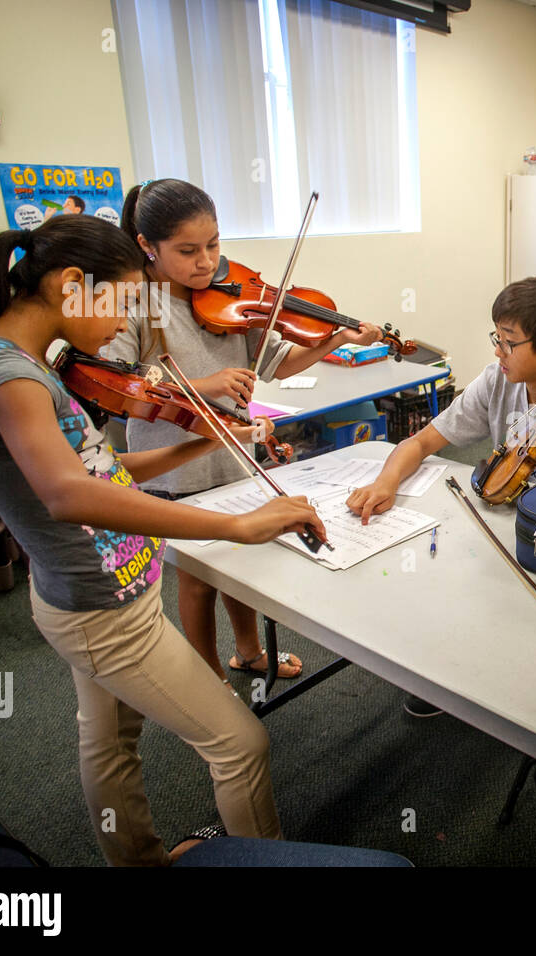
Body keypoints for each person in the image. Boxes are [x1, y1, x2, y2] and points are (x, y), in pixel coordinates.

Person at [0, 215, 325, 864]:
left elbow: (104, 473)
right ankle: (267, 860)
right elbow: (68, 494)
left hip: (99, 599)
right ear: (72, 285)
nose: (119, 328)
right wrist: (235, 525)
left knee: (109, 743)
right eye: (124, 302)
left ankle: (136, 860)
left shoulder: (24, 363)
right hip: (104, 616)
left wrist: (202, 438)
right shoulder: (7, 376)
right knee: (240, 744)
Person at [105, 178, 381, 685]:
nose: (206, 262)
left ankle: (250, 652)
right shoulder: (134, 303)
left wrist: (333, 339)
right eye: (187, 251)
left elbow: (278, 362)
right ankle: (207, 677)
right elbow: (120, 383)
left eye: (213, 244)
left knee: (240, 562)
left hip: (234, 459)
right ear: (147, 245)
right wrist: (204, 383)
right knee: (198, 580)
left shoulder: (226, 293)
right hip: (175, 467)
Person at [345, 274, 536, 717]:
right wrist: (385, 482)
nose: (497, 352)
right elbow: (419, 443)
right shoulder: (498, 380)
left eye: (509, 342)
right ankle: (452, 671)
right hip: (500, 522)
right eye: (497, 337)